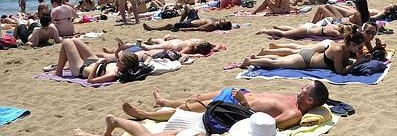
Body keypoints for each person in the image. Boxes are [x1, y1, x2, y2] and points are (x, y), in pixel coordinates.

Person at [74, 82, 329, 136]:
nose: (302, 88)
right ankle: (154, 110)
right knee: (193, 101)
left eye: (306, 89)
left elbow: (270, 124)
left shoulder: (295, 112)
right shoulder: (292, 97)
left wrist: (243, 103)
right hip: (237, 95)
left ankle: (144, 115)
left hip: (232, 109)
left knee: (190, 110)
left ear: (310, 101)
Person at [241, 26, 365, 75]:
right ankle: (250, 62)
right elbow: (340, 71)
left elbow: (344, 63)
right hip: (306, 61)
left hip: (310, 57)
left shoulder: (344, 46)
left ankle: (256, 59)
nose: (360, 49)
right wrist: (357, 63)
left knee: (280, 60)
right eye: (359, 47)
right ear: (352, 43)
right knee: (276, 63)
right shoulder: (338, 49)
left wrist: (358, 59)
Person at [55, 38, 139, 84]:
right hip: (92, 61)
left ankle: (58, 71)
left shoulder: (112, 75)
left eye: (119, 61)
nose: (117, 61)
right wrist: (118, 50)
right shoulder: (120, 67)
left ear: (124, 65)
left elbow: (90, 80)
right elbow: (117, 58)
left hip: (80, 69)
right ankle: (61, 68)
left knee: (66, 42)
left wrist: (97, 64)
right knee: (74, 40)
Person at [143, 6, 233, 32]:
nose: (223, 20)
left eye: (224, 21)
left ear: (221, 25)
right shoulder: (216, 21)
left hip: (191, 23)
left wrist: (182, 28)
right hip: (195, 18)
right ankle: (181, 21)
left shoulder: (212, 25)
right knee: (187, 7)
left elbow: (197, 29)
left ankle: (152, 28)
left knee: (171, 25)